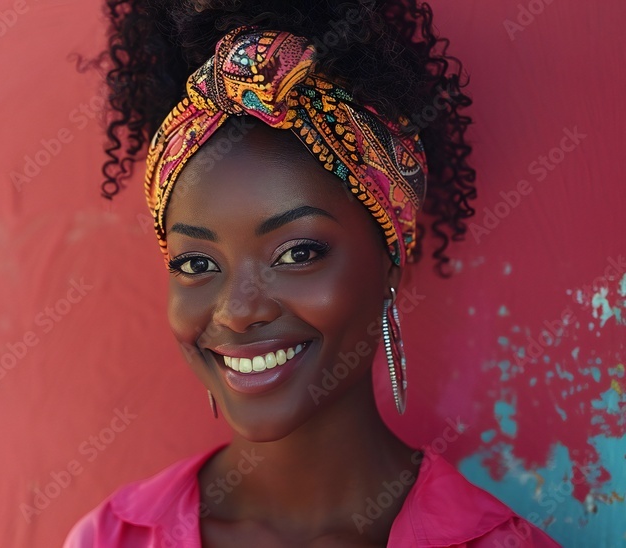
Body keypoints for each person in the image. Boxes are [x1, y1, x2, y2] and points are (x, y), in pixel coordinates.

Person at [66, 1, 562, 546]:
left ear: (390, 260)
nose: (238, 309)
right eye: (197, 264)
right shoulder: (114, 536)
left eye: (297, 253)